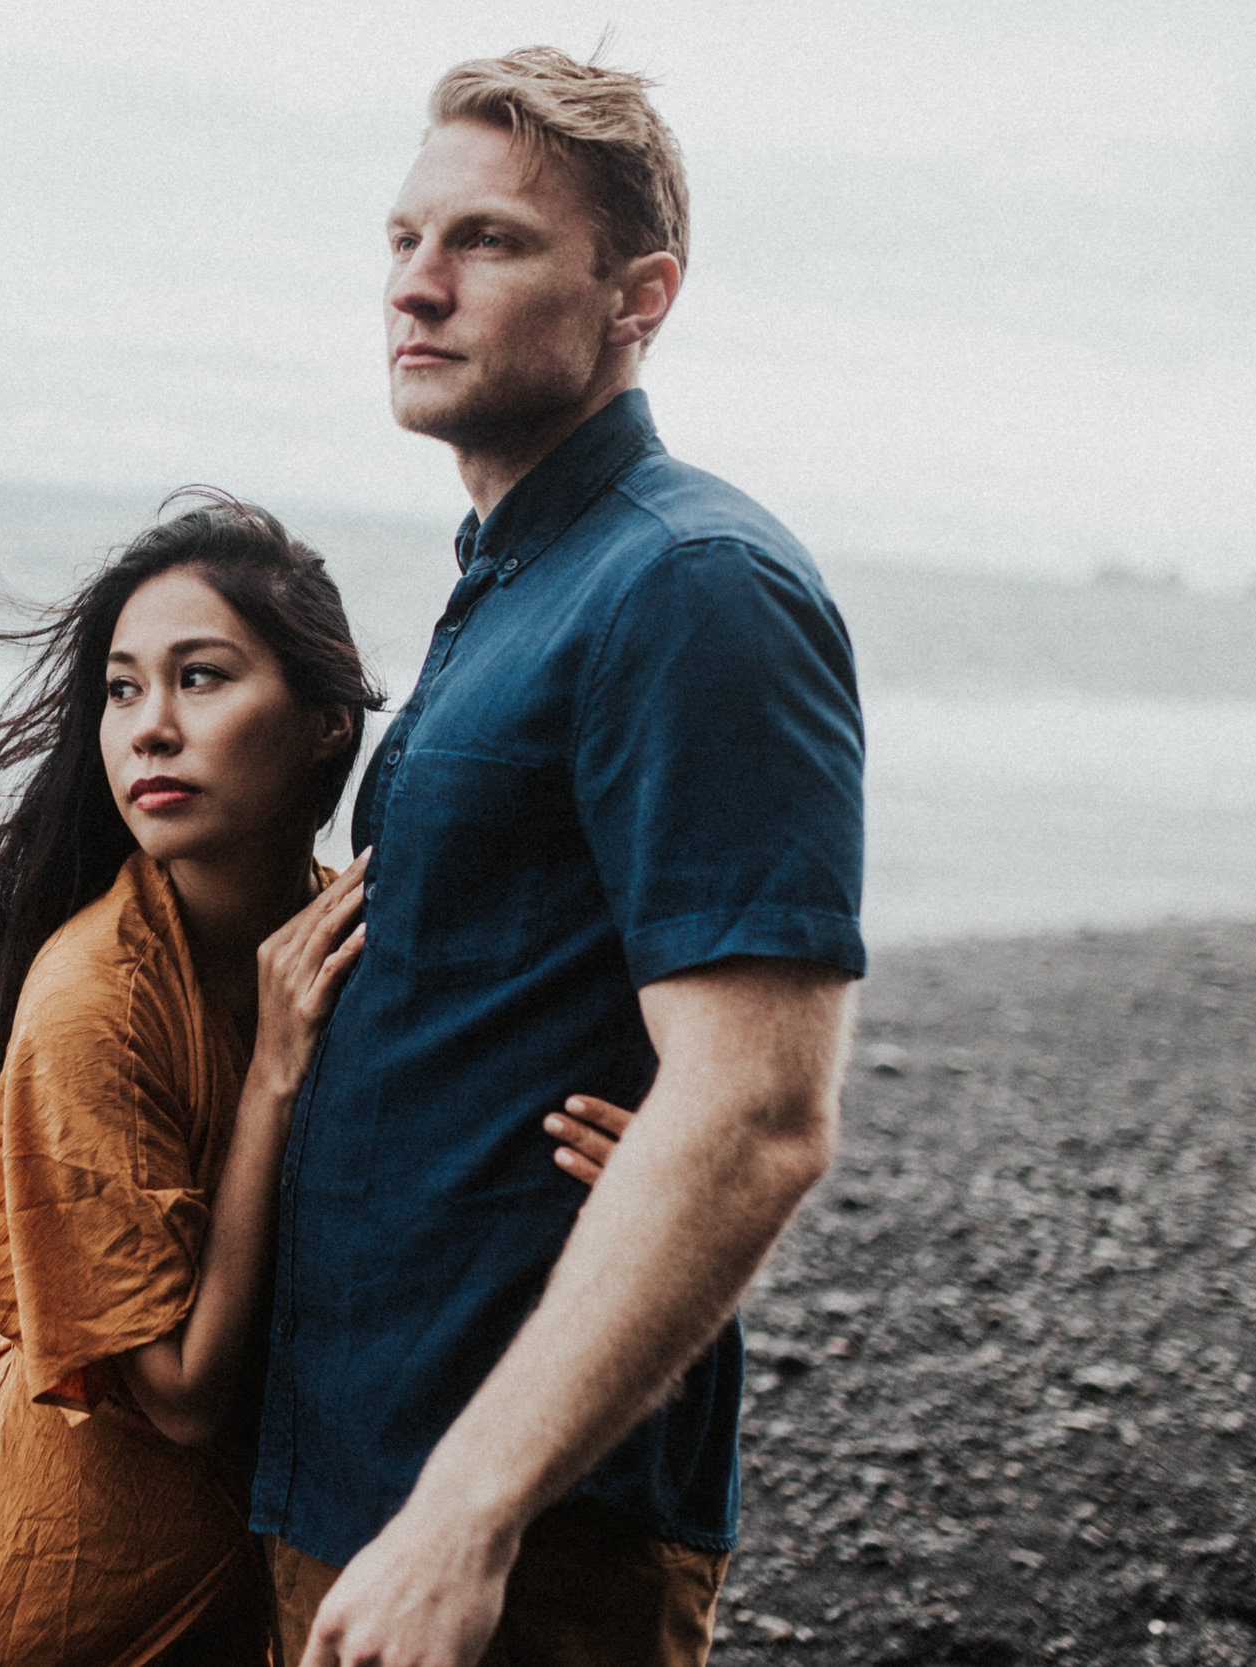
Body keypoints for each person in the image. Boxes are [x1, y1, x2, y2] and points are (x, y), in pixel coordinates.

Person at [252, 48, 869, 1667]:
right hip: (366, 1468)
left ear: (638, 294)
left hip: (518, 1528)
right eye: (402, 239)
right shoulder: (522, 580)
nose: (419, 285)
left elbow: (756, 1110)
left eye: (491, 242)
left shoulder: (691, 587)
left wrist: (467, 1514)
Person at [0, 495, 387, 1665]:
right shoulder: (94, 995)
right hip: (63, 1576)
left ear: (326, 721)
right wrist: (272, 1081)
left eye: (200, 677)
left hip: (251, 1564)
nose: (148, 728)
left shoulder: (343, 933)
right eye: (122, 687)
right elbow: (181, 1390)